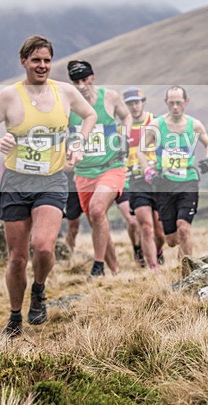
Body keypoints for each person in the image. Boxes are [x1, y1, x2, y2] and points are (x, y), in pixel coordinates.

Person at [0, 35, 96, 337]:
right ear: (23, 61)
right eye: (36, 60)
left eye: (47, 60)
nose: (42, 66)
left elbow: (89, 114)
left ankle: (38, 289)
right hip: (15, 181)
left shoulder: (64, 92)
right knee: (16, 258)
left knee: (43, 246)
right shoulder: (8, 96)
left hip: (51, 179)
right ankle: (14, 317)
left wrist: (79, 142)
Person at [67, 60, 132, 277]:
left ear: (92, 77)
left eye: (85, 79)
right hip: (84, 172)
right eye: (76, 82)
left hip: (111, 166)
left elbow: (127, 115)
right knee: (97, 221)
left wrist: (125, 135)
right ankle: (115, 272)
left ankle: (97, 266)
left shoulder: (110, 97)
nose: (82, 85)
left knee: (97, 210)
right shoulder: (68, 105)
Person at [143, 86, 208, 261]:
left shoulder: (194, 125)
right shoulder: (156, 126)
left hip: (188, 180)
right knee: (172, 240)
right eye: (172, 103)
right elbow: (140, 151)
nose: (175, 107)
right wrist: (149, 171)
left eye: (179, 103)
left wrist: (207, 160)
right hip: (164, 183)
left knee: (184, 227)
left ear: (186, 102)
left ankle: (188, 273)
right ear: (166, 102)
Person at [117, 86, 166, 269]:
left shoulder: (155, 122)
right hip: (132, 180)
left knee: (160, 232)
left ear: (143, 102)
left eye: (137, 102)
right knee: (142, 224)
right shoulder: (121, 128)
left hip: (154, 179)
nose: (134, 107)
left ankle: (158, 250)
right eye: (130, 104)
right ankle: (150, 265)